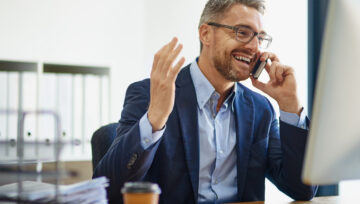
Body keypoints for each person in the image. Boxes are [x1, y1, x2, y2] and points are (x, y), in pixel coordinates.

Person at [93, 0, 317, 203]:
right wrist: (155, 119)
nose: (254, 47)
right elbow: (107, 189)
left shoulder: (261, 109)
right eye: (242, 32)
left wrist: (290, 105)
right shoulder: (150, 93)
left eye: (259, 37)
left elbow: (302, 190)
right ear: (205, 34)